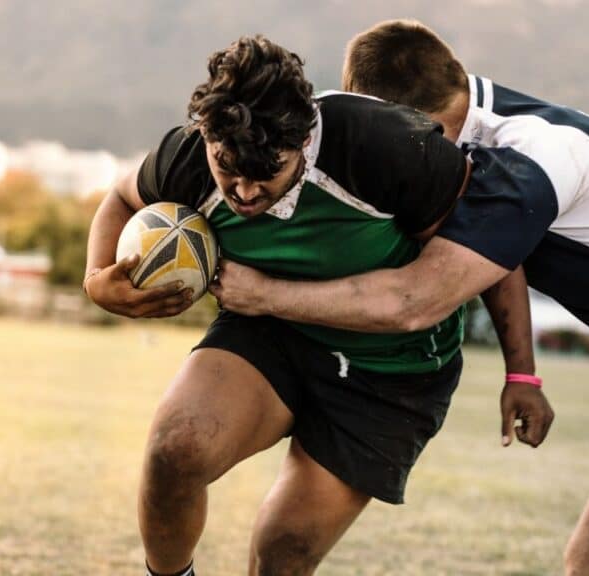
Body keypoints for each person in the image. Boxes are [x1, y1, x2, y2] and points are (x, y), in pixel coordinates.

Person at [210, 20, 589, 576]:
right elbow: (500, 251)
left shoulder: (530, 155)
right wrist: (524, 374)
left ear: (402, 120)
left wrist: (264, 295)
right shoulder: (483, 135)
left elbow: (417, 301)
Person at [83, 34, 552, 576]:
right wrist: (98, 281)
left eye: (266, 174)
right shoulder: (188, 156)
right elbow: (122, 197)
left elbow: (493, 245)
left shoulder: (386, 146)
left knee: (282, 552)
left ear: (305, 139)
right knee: (174, 451)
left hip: (392, 370)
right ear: (208, 137)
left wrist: (523, 375)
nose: (244, 193)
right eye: (227, 169)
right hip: (272, 333)